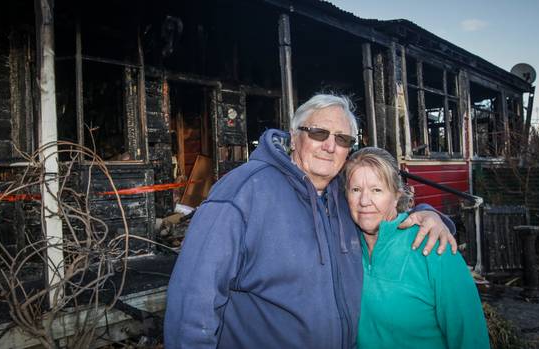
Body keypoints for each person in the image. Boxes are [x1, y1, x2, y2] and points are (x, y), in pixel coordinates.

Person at [164, 94, 457, 349]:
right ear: (294, 137)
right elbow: (192, 302)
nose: (330, 145)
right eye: (318, 132)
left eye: (342, 139)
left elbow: (388, 210)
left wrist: (432, 216)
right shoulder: (243, 192)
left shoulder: (344, 196)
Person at [344, 147, 489, 349]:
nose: (364, 201)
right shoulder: (343, 248)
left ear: (396, 196)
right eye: (356, 190)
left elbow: (471, 337)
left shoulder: (434, 246)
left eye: (377, 190)